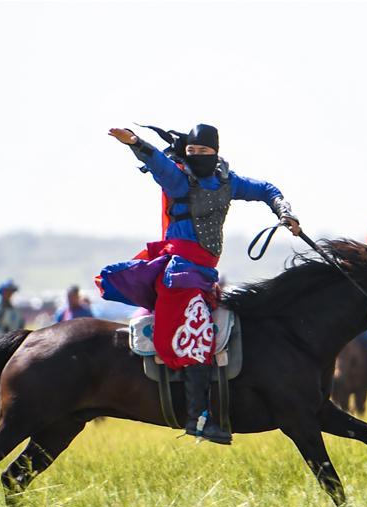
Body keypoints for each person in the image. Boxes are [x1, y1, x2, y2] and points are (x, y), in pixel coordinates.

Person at [98, 124, 299, 444]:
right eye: (192, 152)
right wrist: (135, 143)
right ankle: (198, 417)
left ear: (215, 152)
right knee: (199, 337)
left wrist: (283, 210)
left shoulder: (227, 182)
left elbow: (264, 188)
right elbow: (158, 164)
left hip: (206, 276)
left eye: (203, 152)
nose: (197, 157)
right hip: (180, 276)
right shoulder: (179, 180)